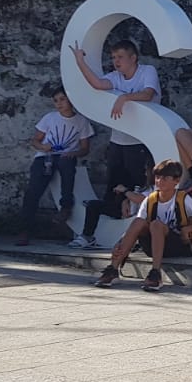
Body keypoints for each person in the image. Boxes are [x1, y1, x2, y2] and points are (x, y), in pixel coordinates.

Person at [69, 39, 159, 249]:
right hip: (118, 141)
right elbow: (97, 84)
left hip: (141, 141)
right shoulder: (115, 77)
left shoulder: (147, 71)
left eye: (120, 57)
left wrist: (124, 98)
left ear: (133, 57)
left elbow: (148, 94)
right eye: (113, 58)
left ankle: (135, 235)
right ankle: (93, 235)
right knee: (113, 190)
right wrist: (79, 61)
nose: (116, 62)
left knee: (138, 188)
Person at [94, 160, 192, 292]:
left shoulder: (183, 198)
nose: (159, 181)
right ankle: (113, 269)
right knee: (139, 221)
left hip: (180, 245)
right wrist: (120, 242)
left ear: (176, 180)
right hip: (153, 245)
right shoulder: (150, 199)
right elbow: (137, 225)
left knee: (156, 225)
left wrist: (189, 229)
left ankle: (155, 273)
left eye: (165, 178)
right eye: (157, 177)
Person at [16, 88, 94, 246]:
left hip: (66, 156)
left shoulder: (81, 121)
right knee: (33, 190)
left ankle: (65, 207)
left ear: (71, 100)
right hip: (46, 156)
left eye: (62, 99)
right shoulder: (49, 118)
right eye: (56, 100)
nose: (59, 103)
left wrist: (74, 153)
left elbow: (85, 148)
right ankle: (24, 229)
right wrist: (43, 147)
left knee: (67, 166)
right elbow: (35, 140)